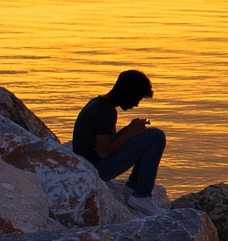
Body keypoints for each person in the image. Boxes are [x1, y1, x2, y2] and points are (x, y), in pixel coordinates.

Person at [71, 69, 165, 201]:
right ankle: (141, 195)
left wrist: (130, 130)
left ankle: (132, 188)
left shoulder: (97, 103)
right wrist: (130, 132)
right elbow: (103, 152)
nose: (136, 104)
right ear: (129, 93)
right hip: (96, 170)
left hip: (88, 165)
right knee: (156, 136)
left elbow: (105, 142)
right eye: (137, 98)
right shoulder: (106, 112)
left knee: (147, 136)